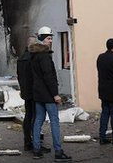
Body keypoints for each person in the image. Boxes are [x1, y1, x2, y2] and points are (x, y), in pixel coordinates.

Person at [29, 26, 72, 161]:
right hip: (48, 95)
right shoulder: (45, 56)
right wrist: (55, 95)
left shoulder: (34, 55)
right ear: (42, 39)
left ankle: (36, 150)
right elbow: (49, 77)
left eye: (51, 38)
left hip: (38, 94)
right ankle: (58, 152)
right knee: (54, 122)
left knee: (38, 121)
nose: (51, 41)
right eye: (48, 38)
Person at [17, 34, 45, 153]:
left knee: (28, 116)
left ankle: (27, 141)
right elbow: (37, 76)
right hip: (34, 91)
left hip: (25, 91)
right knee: (36, 116)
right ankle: (35, 142)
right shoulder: (33, 58)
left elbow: (19, 76)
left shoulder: (21, 58)